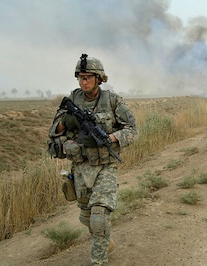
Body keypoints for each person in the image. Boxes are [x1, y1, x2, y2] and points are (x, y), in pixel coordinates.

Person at [48, 54, 137, 266]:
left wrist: (111, 138)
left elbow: (133, 129)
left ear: (99, 78)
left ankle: (99, 261)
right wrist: (68, 122)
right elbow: (54, 130)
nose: (83, 81)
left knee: (99, 217)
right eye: (80, 77)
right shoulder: (73, 99)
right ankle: (106, 242)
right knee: (86, 217)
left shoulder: (113, 100)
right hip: (80, 167)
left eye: (88, 77)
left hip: (105, 166)